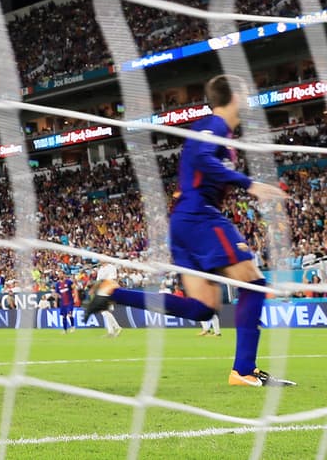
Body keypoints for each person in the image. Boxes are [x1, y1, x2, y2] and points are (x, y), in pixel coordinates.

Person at [84, 74, 294, 387]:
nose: (250, 99)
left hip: (184, 221)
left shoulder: (218, 130)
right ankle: (244, 370)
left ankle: (112, 292)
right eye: (247, 93)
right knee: (254, 283)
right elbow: (202, 158)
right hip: (200, 216)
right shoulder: (216, 124)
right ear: (234, 95)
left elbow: (202, 162)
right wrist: (250, 185)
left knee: (202, 309)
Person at [93, 264, 122, 337]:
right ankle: (111, 331)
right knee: (104, 312)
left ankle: (117, 328)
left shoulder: (111, 267)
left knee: (105, 311)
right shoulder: (100, 269)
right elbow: (98, 281)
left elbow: (112, 280)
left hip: (108, 290)